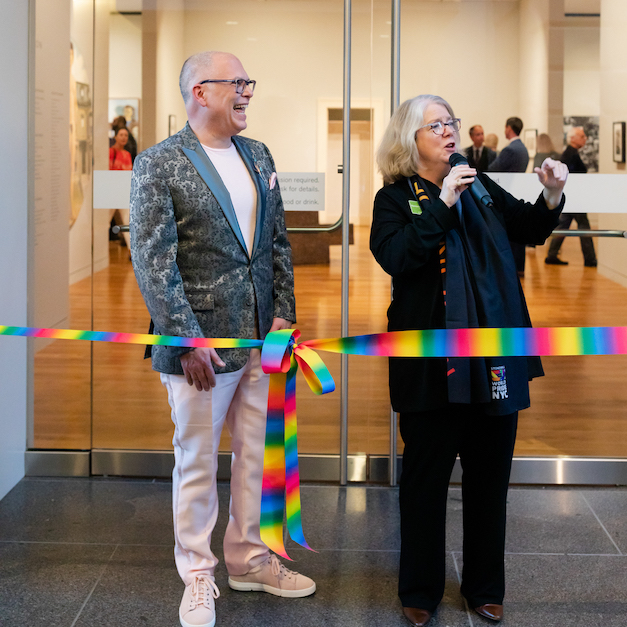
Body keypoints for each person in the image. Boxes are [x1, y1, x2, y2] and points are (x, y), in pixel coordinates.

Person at [130, 51, 315, 627]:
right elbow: (153, 259)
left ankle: (250, 560)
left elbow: (278, 244)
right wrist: (187, 338)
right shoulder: (158, 163)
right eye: (236, 83)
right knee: (198, 462)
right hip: (201, 353)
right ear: (199, 92)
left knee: (257, 459)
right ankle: (198, 574)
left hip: (265, 340)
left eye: (248, 82)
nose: (246, 93)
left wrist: (283, 316)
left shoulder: (259, 155)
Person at [370, 95, 567, 627]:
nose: (449, 132)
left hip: (494, 359)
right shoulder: (394, 199)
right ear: (410, 139)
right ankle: (420, 590)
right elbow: (398, 256)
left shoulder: (479, 185)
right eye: (436, 125)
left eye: (450, 122)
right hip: (431, 365)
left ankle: (484, 587)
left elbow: (528, 227)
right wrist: (442, 205)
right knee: (425, 481)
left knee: (489, 479)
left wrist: (551, 193)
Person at [545, 126, 597, 267]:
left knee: (564, 224)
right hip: (574, 198)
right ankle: (590, 259)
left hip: (572, 197)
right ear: (572, 138)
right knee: (583, 226)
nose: (585, 139)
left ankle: (552, 254)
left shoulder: (571, 153)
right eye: (582, 136)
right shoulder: (571, 154)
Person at [488, 117, 530, 276]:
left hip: (507, 194)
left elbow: (493, 169)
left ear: (509, 128)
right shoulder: (523, 148)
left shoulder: (510, 149)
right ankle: (518, 267)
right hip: (517, 192)